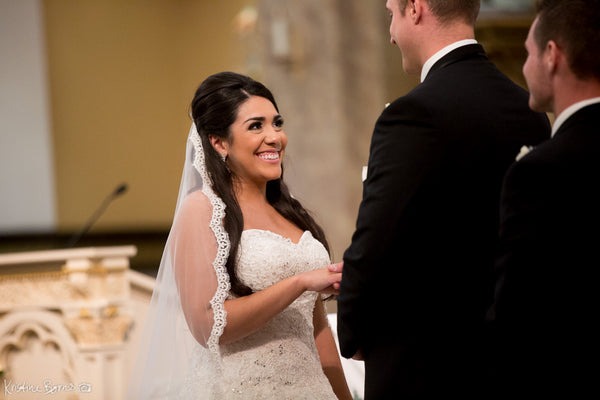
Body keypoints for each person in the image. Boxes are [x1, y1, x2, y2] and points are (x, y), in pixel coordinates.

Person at [334, 0, 551, 398]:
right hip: (508, 355)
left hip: (424, 361)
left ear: (416, 9)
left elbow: (377, 236)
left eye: (391, 16)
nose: (390, 33)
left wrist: (351, 329)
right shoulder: (529, 110)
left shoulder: (412, 113)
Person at [128, 72, 352, 399]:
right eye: (256, 126)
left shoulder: (292, 212)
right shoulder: (201, 209)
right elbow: (208, 325)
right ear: (219, 143)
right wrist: (300, 282)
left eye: (277, 123)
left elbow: (316, 326)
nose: (274, 137)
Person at [489, 0, 600, 397]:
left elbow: (521, 312)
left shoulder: (541, 171)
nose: (523, 67)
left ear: (552, 56)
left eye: (528, 52)